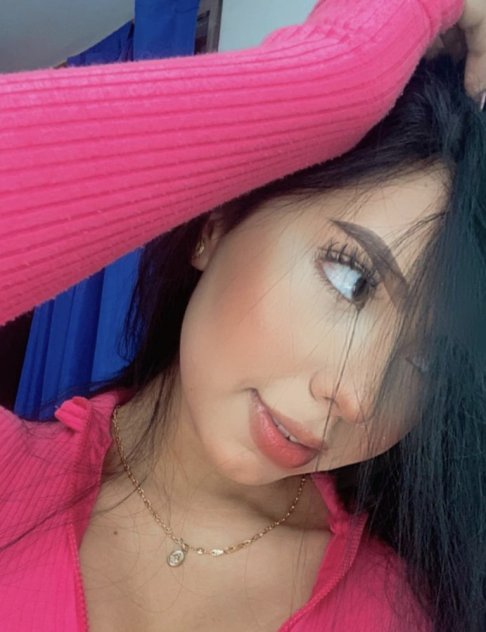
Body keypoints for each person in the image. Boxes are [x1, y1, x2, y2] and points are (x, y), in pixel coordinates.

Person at [1, 0, 486, 630]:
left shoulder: (393, 611)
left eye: (425, 361)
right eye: (351, 278)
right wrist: (339, 73)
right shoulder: (11, 476)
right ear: (216, 222)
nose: (358, 398)